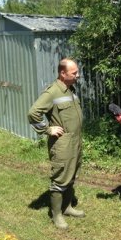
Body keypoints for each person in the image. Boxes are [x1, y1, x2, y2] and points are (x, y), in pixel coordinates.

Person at [28, 58, 84, 230]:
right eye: (74, 73)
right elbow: (33, 113)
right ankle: (56, 214)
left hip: (76, 141)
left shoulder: (69, 89)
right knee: (60, 178)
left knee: (71, 175)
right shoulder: (52, 92)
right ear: (62, 73)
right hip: (62, 144)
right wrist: (48, 129)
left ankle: (67, 207)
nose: (78, 75)